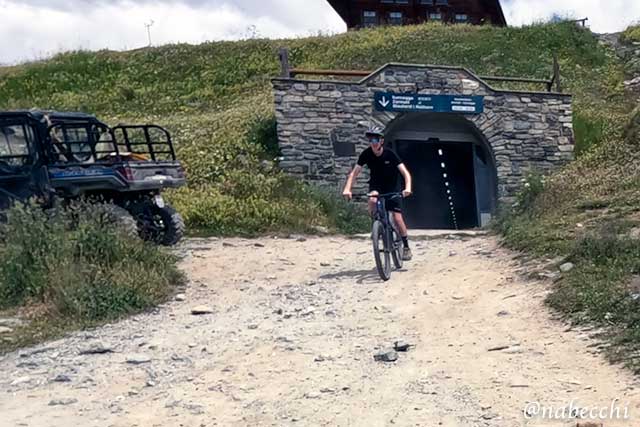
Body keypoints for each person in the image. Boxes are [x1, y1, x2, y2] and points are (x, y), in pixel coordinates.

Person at [342, 126, 413, 261]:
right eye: (370, 140)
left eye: (375, 139)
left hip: (392, 186)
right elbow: (354, 173)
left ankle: (405, 246)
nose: (373, 142)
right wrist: (347, 188)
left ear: (381, 141)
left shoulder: (390, 154)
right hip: (376, 185)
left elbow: (405, 173)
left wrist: (407, 187)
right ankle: (377, 226)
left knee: (397, 219)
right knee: (372, 201)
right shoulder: (366, 154)